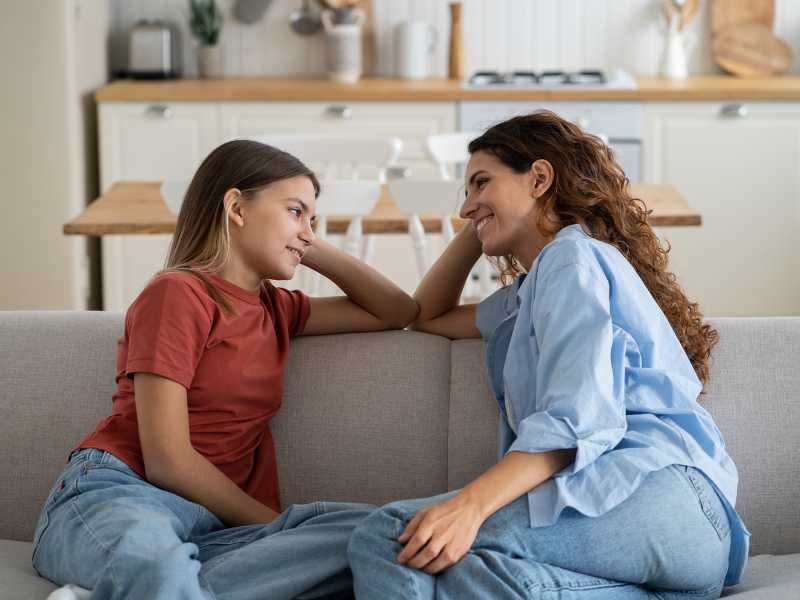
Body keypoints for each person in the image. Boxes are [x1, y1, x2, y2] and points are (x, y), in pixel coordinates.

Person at [347, 111, 749, 599]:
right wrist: (482, 219)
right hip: (687, 540)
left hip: (655, 493)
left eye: (481, 182)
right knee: (469, 574)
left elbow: (575, 420)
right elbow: (426, 314)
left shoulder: (571, 259)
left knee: (392, 535)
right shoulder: (530, 292)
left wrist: (470, 507)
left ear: (539, 178)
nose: (466, 205)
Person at [32, 140, 419, 600]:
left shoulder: (278, 309)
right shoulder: (178, 294)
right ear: (236, 207)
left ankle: (118, 592)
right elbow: (167, 461)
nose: (307, 231)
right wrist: (273, 527)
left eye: (312, 218)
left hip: (213, 528)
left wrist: (306, 242)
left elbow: (396, 309)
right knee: (155, 561)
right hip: (123, 494)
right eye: (296, 211)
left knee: (381, 534)